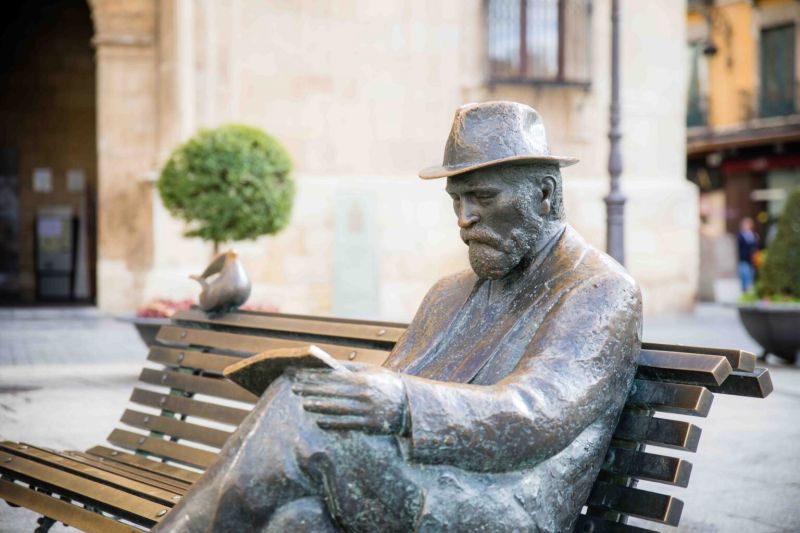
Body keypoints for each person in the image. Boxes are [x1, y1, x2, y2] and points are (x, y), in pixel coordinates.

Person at [154, 101, 642, 532]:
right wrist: (347, 385)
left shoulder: (599, 289)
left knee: (301, 415)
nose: (464, 217)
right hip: (429, 478)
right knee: (296, 521)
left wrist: (402, 404)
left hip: (505, 504)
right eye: (457, 200)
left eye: (484, 197)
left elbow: (537, 415)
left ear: (544, 194)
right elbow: (393, 382)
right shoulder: (449, 293)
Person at [737, 217, 759, 292]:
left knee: (751, 276)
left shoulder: (754, 235)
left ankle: (749, 292)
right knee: (744, 275)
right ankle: (744, 291)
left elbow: (756, 246)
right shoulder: (740, 235)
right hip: (743, 258)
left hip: (752, 259)